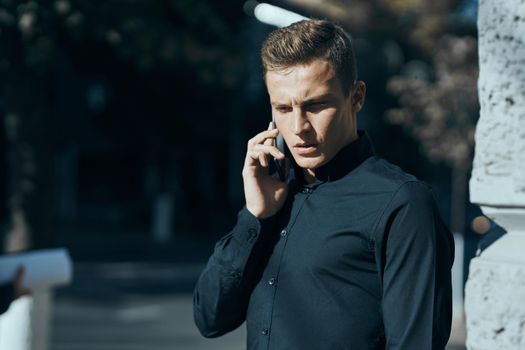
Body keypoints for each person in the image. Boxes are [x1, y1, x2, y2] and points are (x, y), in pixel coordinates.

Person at [193, 19, 454, 349]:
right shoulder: (273, 194)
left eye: (315, 105)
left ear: (356, 97)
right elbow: (210, 318)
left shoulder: (403, 204)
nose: (299, 126)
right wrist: (255, 216)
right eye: (283, 108)